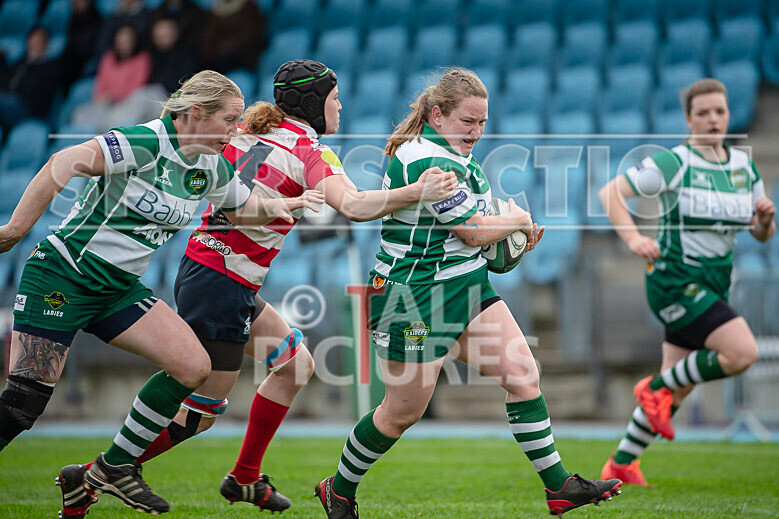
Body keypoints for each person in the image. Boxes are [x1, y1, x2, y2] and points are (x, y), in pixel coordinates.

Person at [54, 59, 458, 517]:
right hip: (222, 282)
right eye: (334, 98)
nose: (341, 106)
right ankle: (94, 474)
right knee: (201, 411)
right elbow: (356, 206)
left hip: (215, 273)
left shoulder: (243, 127)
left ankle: (244, 476)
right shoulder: (308, 149)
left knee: (295, 365)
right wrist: (417, 191)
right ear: (314, 104)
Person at [0, 69, 323, 516]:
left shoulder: (210, 164)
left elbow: (243, 208)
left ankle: (114, 467)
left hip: (117, 289)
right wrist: (15, 229)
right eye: (229, 120)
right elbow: (62, 162)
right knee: (23, 405)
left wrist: (286, 204)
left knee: (193, 367)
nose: (235, 131)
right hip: (64, 275)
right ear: (196, 113)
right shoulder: (145, 142)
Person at [313, 67, 623, 519]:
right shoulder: (426, 159)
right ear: (437, 115)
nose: (476, 131)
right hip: (411, 297)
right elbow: (473, 231)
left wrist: (512, 243)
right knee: (400, 413)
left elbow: (476, 242)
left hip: (466, 285)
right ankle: (338, 489)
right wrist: (515, 222)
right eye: (468, 121)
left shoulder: (461, 159)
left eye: (482, 122)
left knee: (523, 376)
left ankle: (559, 487)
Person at [598, 78, 776, 486]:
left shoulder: (743, 167)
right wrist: (633, 238)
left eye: (720, 111)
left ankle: (621, 464)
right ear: (688, 119)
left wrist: (765, 221)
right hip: (675, 280)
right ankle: (653, 386)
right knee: (741, 352)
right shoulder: (675, 162)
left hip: (714, 282)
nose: (713, 119)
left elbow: (762, 233)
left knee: (679, 388)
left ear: (729, 115)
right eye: (703, 112)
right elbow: (611, 193)